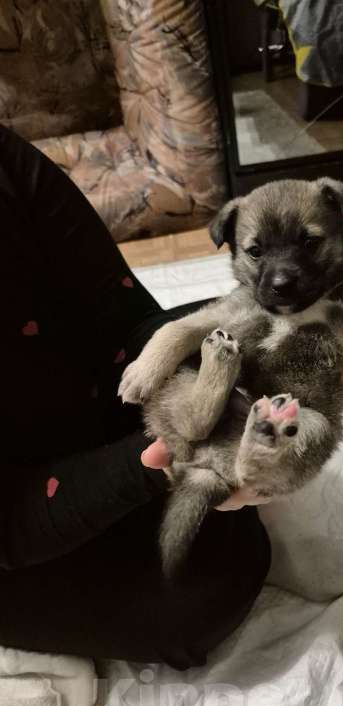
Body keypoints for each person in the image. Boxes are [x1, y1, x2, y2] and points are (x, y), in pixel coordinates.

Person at [0, 125, 271, 669]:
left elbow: (119, 310)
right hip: (16, 516)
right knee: (205, 597)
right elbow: (10, 523)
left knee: (258, 337)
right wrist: (149, 465)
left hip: (73, 401)